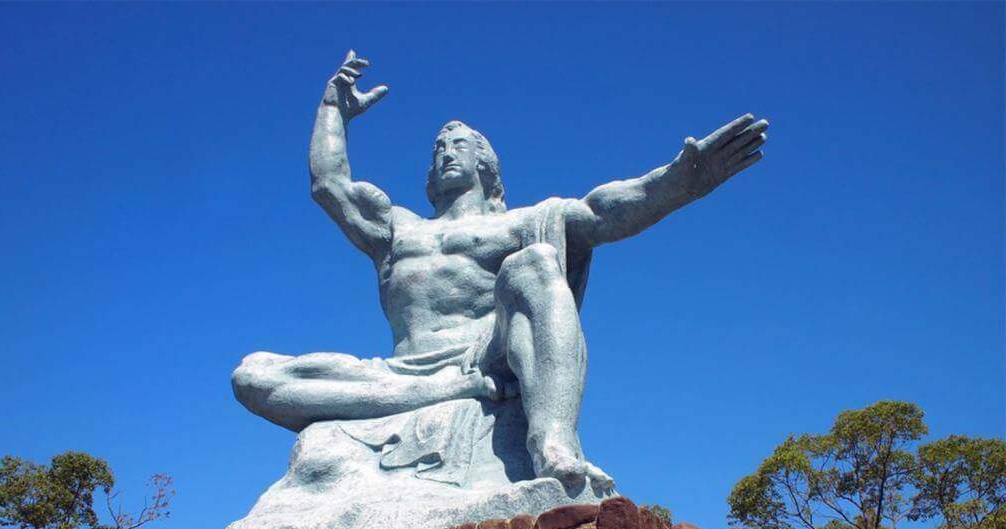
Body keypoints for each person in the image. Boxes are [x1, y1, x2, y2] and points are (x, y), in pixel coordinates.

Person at [232, 50, 768, 488]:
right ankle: (443, 392)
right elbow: (331, 186)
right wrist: (332, 108)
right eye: (438, 146)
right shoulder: (396, 229)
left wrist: (678, 183)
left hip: (485, 352)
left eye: (458, 144)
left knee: (535, 263)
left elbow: (603, 211)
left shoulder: (524, 222)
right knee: (253, 375)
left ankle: (552, 438)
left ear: (486, 163)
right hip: (403, 372)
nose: (445, 151)